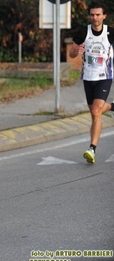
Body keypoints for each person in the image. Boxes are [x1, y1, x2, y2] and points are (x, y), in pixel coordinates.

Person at [69, 0, 114, 164]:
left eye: (98, 15)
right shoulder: (83, 32)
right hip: (88, 77)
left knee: (96, 111)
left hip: (105, 77)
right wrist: (76, 50)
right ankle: (111, 107)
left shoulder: (110, 33)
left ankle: (92, 149)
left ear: (104, 16)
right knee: (95, 113)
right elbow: (72, 54)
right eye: (92, 15)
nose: (95, 18)